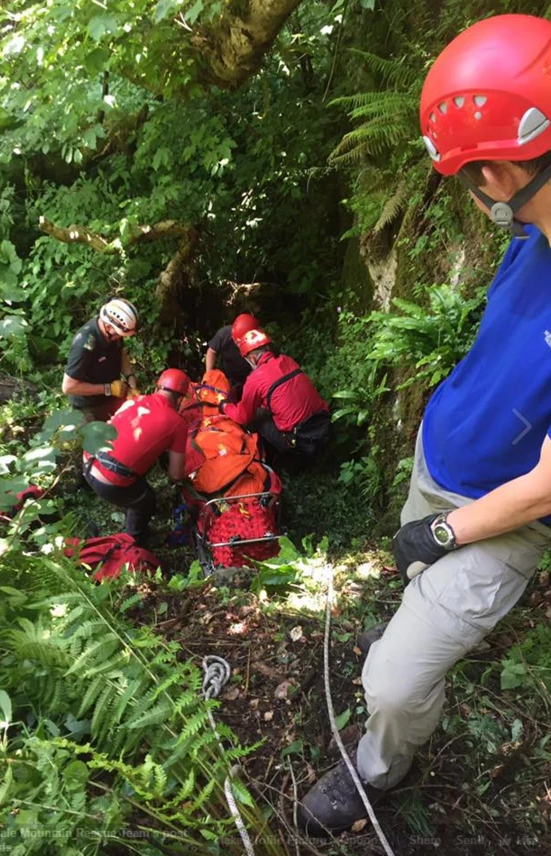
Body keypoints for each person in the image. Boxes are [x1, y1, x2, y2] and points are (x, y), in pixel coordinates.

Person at [299, 13, 551, 835]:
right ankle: (416, 607)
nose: (470, 194)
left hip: (504, 514)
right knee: (413, 585)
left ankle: (377, 770)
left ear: (507, 169)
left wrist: (445, 537)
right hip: (442, 452)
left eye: (470, 177)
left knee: (397, 683)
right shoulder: (532, 237)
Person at [83, 368, 190, 545]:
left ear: (157, 389)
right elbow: (176, 475)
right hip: (109, 483)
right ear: (180, 399)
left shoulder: (135, 400)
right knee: (146, 499)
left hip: (88, 460)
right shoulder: (177, 423)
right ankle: (136, 538)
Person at [220, 329, 329, 466]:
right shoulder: (288, 360)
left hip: (300, 439)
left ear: (252, 358)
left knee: (255, 418)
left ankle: (272, 459)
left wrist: (225, 406)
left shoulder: (255, 379)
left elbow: (242, 416)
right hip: (323, 421)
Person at [62, 298, 140, 422]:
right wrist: (108, 389)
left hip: (112, 396)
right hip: (88, 406)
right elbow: (68, 387)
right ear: (108, 326)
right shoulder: (84, 344)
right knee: (98, 439)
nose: (120, 338)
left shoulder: (115, 333)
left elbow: (121, 353)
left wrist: (131, 381)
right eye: (120, 335)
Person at [205, 313, 260, 397]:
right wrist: (209, 374)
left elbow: (261, 365)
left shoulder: (258, 340)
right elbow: (211, 351)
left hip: (252, 379)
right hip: (229, 378)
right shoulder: (224, 334)